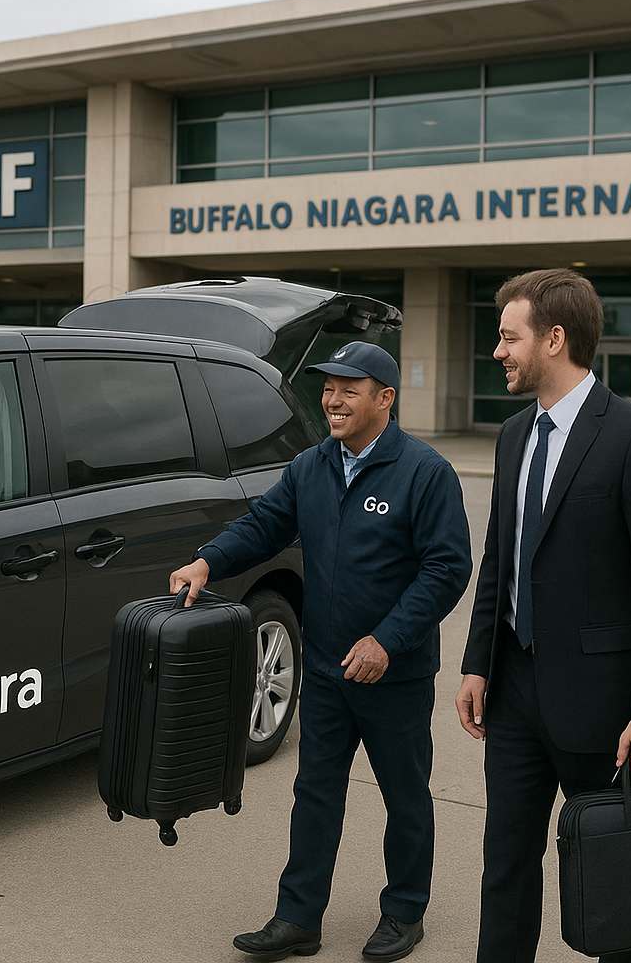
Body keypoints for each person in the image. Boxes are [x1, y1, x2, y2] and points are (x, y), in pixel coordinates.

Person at [170, 341, 471, 963]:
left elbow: (446, 570)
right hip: (330, 667)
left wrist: (387, 640)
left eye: (349, 389)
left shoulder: (425, 472)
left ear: (384, 399)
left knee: (405, 795)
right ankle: (298, 917)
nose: (333, 399)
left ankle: (405, 910)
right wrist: (208, 560)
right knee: (315, 792)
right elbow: (263, 526)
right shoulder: (312, 466)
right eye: (329, 387)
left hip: (395, 674)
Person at [455, 269, 631, 963]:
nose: (497, 351)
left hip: (606, 714)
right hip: (514, 698)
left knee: (616, 885)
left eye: (509, 337)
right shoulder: (512, 436)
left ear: (554, 339)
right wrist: (479, 662)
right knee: (504, 868)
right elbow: (500, 561)